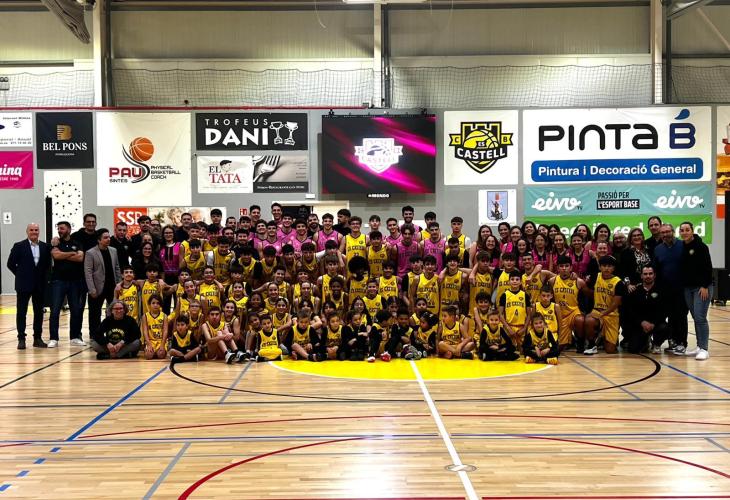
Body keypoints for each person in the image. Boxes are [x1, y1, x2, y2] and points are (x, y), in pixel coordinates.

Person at [7, 223, 51, 349]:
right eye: (31, 230)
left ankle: (37, 338)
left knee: (39, 312)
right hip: (23, 285)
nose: (34, 232)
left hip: (39, 285)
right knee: (21, 312)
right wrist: (21, 274)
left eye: (36, 230)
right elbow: (10, 264)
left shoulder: (45, 247)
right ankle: (21, 338)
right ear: (27, 231)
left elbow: (47, 265)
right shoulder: (19, 246)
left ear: (39, 232)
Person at [48, 221, 86, 348]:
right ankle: (53, 338)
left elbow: (80, 258)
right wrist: (71, 253)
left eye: (62, 228)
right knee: (55, 310)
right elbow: (56, 255)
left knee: (75, 310)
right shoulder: (55, 243)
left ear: (69, 229)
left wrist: (63, 255)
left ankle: (74, 337)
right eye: (58, 229)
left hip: (75, 282)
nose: (60, 231)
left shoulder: (77, 243)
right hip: (58, 281)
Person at [679, 221, 713, 360]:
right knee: (695, 317)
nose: (685, 232)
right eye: (682, 230)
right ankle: (699, 346)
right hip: (688, 288)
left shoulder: (701, 246)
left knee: (700, 317)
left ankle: (704, 349)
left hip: (701, 288)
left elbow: (708, 267)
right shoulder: (682, 246)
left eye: (687, 229)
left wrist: (704, 286)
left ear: (692, 231)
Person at [653, 224, 688, 354]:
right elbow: (656, 269)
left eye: (668, 232)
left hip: (682, 288)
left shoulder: (683, 245)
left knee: (680, 316)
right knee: (670, 317)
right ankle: (672, 341)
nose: (665, 234)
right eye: (663, 233)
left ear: (673, 232)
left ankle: (682, 343)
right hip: (665, 289)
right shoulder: (658, 249)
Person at [624, 265, 672, 354]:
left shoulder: (661, 290)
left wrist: (653, 323)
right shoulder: (635, 290)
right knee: (633, 349)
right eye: (645, 274)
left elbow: (664, 310)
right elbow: (631, 311)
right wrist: (641, 322)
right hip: (641, 324)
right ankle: (646, 341)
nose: (648, 276)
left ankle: (656, 344)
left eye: (650, 273)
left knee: (665, 328)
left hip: (656, 324)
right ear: (641, 276)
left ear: (654, 275)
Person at [84, 228, 122, 339]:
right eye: (105, 238)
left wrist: (119, 284)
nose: (108, 239)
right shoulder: (90, 253)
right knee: (94, 313)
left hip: (112, 287)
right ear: (99, 240)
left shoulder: (113, 250)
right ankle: (94, 336)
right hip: (97, 288)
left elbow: (117, 268)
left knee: (113, 312)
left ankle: (113, 334)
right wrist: (91, 289)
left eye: (109, 237)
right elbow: (88, 272)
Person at [583, 255, 625, 355]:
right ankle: (592, 345)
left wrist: (603, 314)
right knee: (589, 320)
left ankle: (602, 337)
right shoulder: (595, 277)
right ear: (600, 267)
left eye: (609, 266)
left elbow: (615, 304)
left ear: (613, 268)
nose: (606, 268)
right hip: (597, 310)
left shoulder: (618, 282)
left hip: (611, 314)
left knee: (610, 350)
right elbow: (588, 291)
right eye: (604, 266)